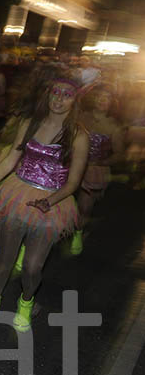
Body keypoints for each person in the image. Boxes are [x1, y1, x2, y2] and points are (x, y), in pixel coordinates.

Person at [0, 68, 90, 331]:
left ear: (75, 100)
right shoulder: (30, 123)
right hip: (17, 193)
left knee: (32, 266)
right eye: (55, 92)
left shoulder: (78, 136)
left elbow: (73, 183)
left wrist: (50, 201)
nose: (59, 99)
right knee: (4, 258)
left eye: (67, 95)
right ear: (48, 95)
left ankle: (26, 303)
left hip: (52, 202)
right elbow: (10, 160)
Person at [71, 81, 124, 254]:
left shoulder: (114, 127)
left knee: (84, 206)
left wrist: (100, 162)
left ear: (112, 103)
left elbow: (118, 154)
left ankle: (78, 233)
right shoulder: (81, 116)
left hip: (93, 171)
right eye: (100, 96)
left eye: (107, 98)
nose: (103, 100)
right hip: (71, 166)